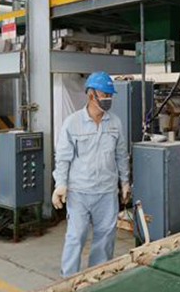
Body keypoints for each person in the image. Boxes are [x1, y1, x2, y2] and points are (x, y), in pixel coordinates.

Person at [51, 71, 130, 277]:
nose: (108, 98)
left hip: (107, 192)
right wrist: (60, 184)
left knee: (105, 238)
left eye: (110, 95)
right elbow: (63, 157)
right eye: (104, 94)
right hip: (79, 192)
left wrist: (125, 182)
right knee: (76, 237)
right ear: (90, 94)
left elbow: (121, 155)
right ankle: (68, 281)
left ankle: (98, 277)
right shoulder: (72, 123)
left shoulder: (115, 123)